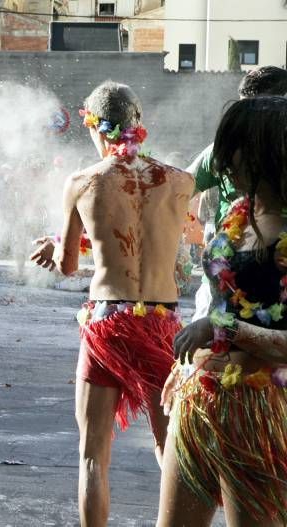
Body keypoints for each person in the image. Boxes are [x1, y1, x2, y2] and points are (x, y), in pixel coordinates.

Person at [29, 81, 193, 526]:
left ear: (94, 128)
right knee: (171, 449)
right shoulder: (179, 181)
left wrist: (63, 247)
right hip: (162, 320)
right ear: (140, 125)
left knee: (93, 455)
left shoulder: (82, 182)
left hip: (106, 321)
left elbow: (65, 266)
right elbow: (180, 240)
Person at [157, 96, 287, 527]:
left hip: (263, 406)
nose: (225, 162)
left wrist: (223, 328)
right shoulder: (236, 213)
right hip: (204, 398)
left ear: (266, 153)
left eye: (235, 149)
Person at [188, 66, 287, 320]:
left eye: (251, 131)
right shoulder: (237, 207)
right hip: (221, 302)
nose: (227, 164)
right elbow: (180, 187)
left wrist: (222, 329)